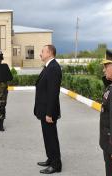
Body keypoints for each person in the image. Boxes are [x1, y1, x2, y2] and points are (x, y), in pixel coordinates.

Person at [34, 45, 62, 174]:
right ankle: (51, 159)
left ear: (50, 53)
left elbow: (53, 93)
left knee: (51, 137)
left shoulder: (54, 68)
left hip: (48, 112)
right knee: (47, 136)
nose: (40, 54)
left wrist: (49, 113)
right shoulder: (48, 67)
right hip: (44, 110)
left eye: (42, 51)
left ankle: (56, 165)